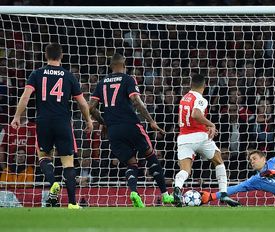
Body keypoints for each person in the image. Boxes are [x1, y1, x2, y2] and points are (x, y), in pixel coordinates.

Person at [11, 43, 93, 209]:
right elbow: (83, 104)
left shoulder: (37, 74)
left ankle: (53, 183)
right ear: (61, 56)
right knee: (68, 162)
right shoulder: (69, 76)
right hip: (63, 122)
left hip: (44, 122)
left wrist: (17, 116)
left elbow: (25, 97)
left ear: (46, 55)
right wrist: (88, 120)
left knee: (43, 157)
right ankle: (72, 203)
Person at [88, 53, 173, 207]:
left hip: (113, 130)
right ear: (124, 64)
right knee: (150, 155)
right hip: (131, 125)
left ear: (110, 66)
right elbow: (136, 101)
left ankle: (134, 192)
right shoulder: (128, 79)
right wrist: (151, 121)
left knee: (131, 163)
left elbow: (90, 107)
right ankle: (165, 195)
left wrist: (104, 122)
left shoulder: (101, 83)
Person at [173, 73, 240, 207]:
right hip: (199, 136)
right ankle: (224, 194)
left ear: (190, 85)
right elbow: (196, 114)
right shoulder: (201, 99)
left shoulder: (184, 98)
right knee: (218, 160)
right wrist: (211, 124)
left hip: (183, 138)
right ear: (204, 86)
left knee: (185, 170)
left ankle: (177, 189)